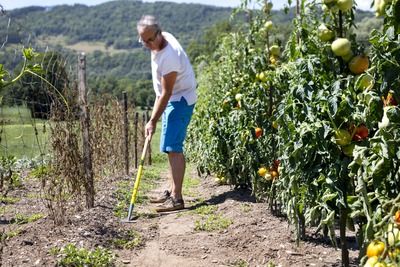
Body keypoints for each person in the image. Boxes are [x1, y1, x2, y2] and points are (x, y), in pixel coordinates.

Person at [136, 15, 197, 212]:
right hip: (172, 99)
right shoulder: (159, 41)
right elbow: (162, 93)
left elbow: (166, 92)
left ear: (159, 33)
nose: (146, 44)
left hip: (180, 99)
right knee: (168, 147)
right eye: (142, 40)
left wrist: (152, 120)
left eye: (149, 40)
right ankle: (171, 191)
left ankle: (177, 199)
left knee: (173, 147)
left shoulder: (169, 56)